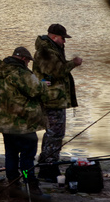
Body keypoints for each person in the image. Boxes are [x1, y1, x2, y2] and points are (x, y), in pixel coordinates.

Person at [0, 46, 44, 187]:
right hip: (22, 123)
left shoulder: (2, 70)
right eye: (27, 61)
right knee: (27, 156)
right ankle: (29, 181)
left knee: (11, 154)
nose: (28, 64)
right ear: (22, 59)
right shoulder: (21, 73)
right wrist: (43, 84)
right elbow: (35, 91)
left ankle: (13, 182)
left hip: (5, 122)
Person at [33, 23, 81, 171]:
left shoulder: (53, 50)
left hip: (55, 99)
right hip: (52, 100)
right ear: (54, 37)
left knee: (54, 133)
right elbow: (57, 72)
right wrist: (74, 63)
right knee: (55, 134)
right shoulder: (47, 51)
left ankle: (47, 163)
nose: (64, 41)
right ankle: (48, 167)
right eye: (62, 38)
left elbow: (56, 68)